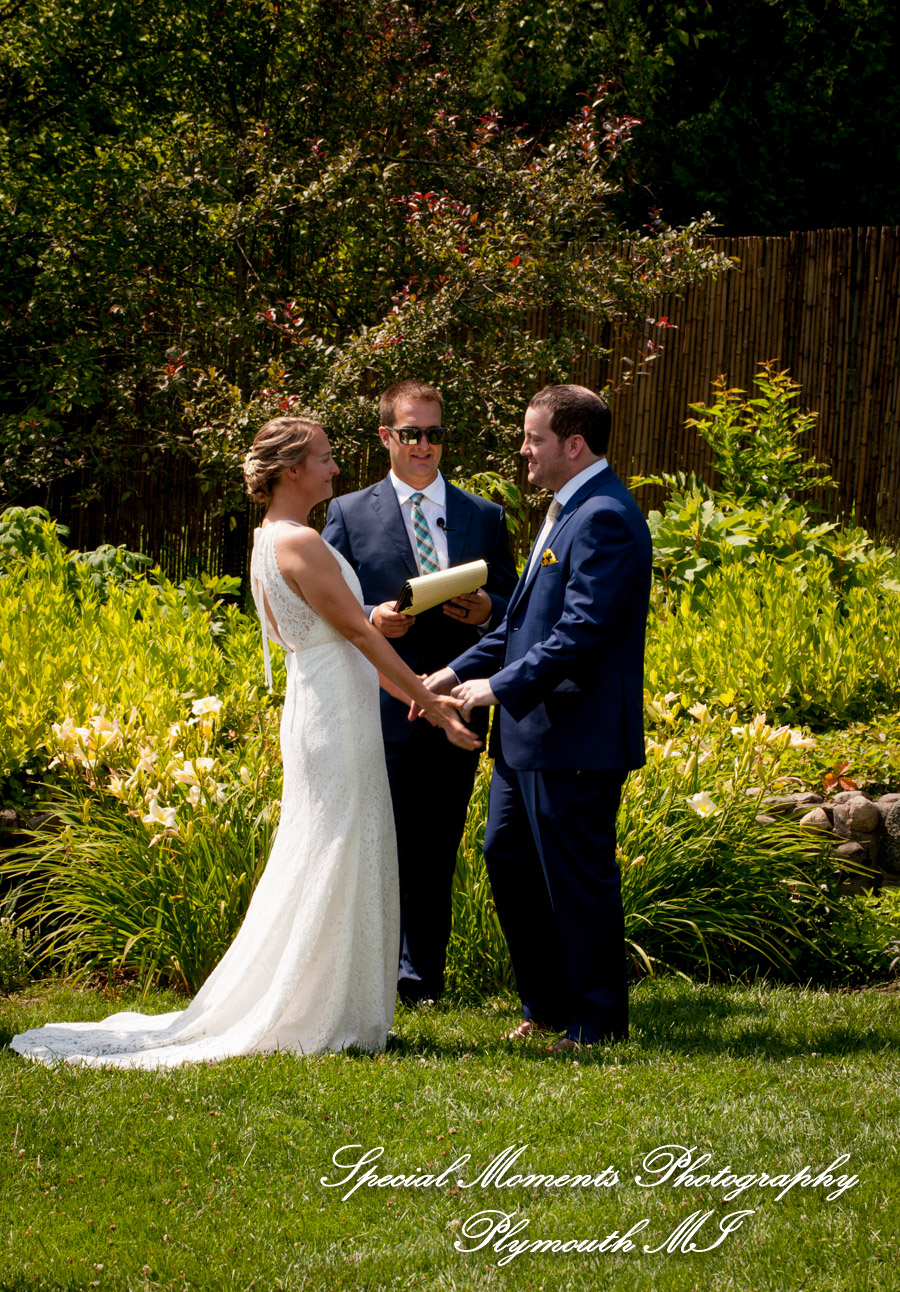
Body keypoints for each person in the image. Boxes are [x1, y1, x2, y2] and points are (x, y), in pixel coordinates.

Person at [11, 417, 478, 1068]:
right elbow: (363, 637)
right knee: (334, 850)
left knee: (337, 847)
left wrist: (421, 700)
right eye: (324, 458)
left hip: (327, 706)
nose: (335, 468)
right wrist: (430, 702)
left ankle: (337, 1006)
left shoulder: (271, 541)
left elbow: (354, 639)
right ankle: (317, 1012)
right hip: (333, 719)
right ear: (292, 471)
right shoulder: (300, 543)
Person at [420, 385, 652, 1050]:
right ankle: (547, 1008)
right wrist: (455, 671)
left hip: (574, 738)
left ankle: (597, 1023)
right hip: (529, 741)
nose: (523, 450)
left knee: (577, 881)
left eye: (533, 438)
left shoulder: (604, 516)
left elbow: (580, 632)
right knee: (509, 858)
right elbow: (524, 622)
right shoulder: (563, 510)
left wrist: (498, 687)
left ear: (573, 444)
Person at [322, 381, 517, 1004]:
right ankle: (370, 972)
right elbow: (325, 604)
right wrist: (374, 621)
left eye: (435, 434)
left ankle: (420, 980)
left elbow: (519, 609)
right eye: (412, 433)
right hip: (380, 705)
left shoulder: (483, 516)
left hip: (458, 703)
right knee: (378, 846)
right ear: (386, 436)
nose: (425, 446)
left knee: (437, 847)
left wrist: (487, 608)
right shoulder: (349, 514)